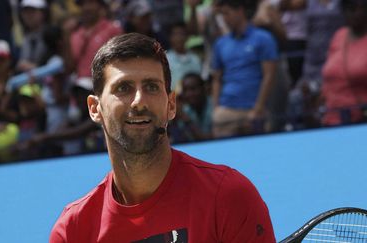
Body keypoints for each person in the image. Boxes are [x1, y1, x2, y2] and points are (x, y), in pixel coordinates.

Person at [50, 33, 275, 242]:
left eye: (151, 87)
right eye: (123, 88)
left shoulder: (228, 196)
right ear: (94, 108)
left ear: (171, 105)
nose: (139, 101)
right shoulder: (72, 230)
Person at [211, 0, 278, 138]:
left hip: (253, 109)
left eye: (227, 13)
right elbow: (217, 79)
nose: (224, 18)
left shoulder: (263, 39)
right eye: (222, 14)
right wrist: (216, 107)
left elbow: (269, 76)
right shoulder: (220, 43)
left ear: (239, 11)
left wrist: (258, 108)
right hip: (227, 109)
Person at [321, 0, 367, 126]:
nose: (354, 13)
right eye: (349, 8)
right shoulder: (339, 35)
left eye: (359, 8)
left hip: (361, 121)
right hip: (332, 120)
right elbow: (328, 75)